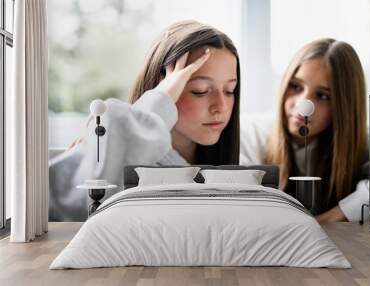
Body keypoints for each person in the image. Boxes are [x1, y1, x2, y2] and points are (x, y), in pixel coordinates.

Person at [50, 20, 241, 221]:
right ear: (166, 89)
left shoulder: (227, 174)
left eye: (230, 91)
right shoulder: (111, 156)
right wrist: (161, 97)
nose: (221, 106)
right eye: (200, 91)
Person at [240, 38, 370, 222]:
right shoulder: (251, 133)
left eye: (323, 96)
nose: (303, 106)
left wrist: (341, 214)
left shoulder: (360, 140)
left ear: (343, 106)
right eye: (296, 86)